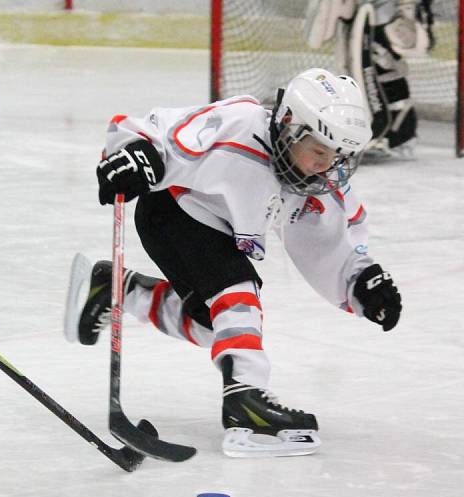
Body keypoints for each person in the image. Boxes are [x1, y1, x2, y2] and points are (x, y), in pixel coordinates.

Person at [64, 68, 402, 458]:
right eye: (320, 152)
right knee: (237, 292)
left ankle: (122, 292)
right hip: (171, 209)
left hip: (212, 231)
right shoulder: (240, 124)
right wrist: (136, 154)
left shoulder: (315, 179)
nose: (326, 166)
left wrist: (361, 283)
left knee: (218, 325)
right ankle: (246, 400)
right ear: (289, 125)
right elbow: (160, 132)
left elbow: (327, 241)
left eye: (338, 157)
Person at [304, 0, 435, 160]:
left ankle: (397, 133)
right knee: (359, 60)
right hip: (366, 15)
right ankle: (383, 131)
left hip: (387, 17)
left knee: (382, 58)